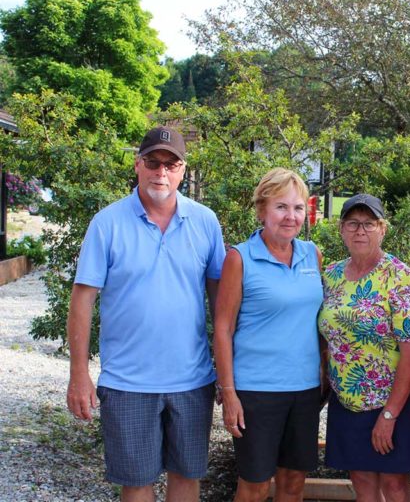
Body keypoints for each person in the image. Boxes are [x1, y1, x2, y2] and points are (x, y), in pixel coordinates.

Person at [66, 126, 226, 502]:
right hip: (127, 383)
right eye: (153, 163)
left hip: (192, 379)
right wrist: (78, 375)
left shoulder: (205, 222)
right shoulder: (107, 223)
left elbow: (221, 301)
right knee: (136, 483)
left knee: (187, 476)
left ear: (183, 170)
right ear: (138, 165)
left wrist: (226, 371)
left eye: (171, 164)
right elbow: (82, 299)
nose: (162, 173)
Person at [213, 168, 324, 502]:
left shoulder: (312, 254)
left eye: (298, 208)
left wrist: (325, 373)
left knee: (293, 483)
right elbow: (222, 328)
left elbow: (319, 320)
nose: (290, 216)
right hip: (256, 392)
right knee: (255, 485)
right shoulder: (240, 257)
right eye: (281, 207)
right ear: (262, 210)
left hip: (305, 391)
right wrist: (228, 392)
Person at [318, 193, 410, 502]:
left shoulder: (399, 276)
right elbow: (326, 334)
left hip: (393, 401)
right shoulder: (332, 275)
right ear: (341, 229)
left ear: (383, 229)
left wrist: (389, 415)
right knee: (362, 481)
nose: (360, 231)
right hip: (347, 400)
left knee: (394, 486)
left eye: (369, 224)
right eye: (352, 223)